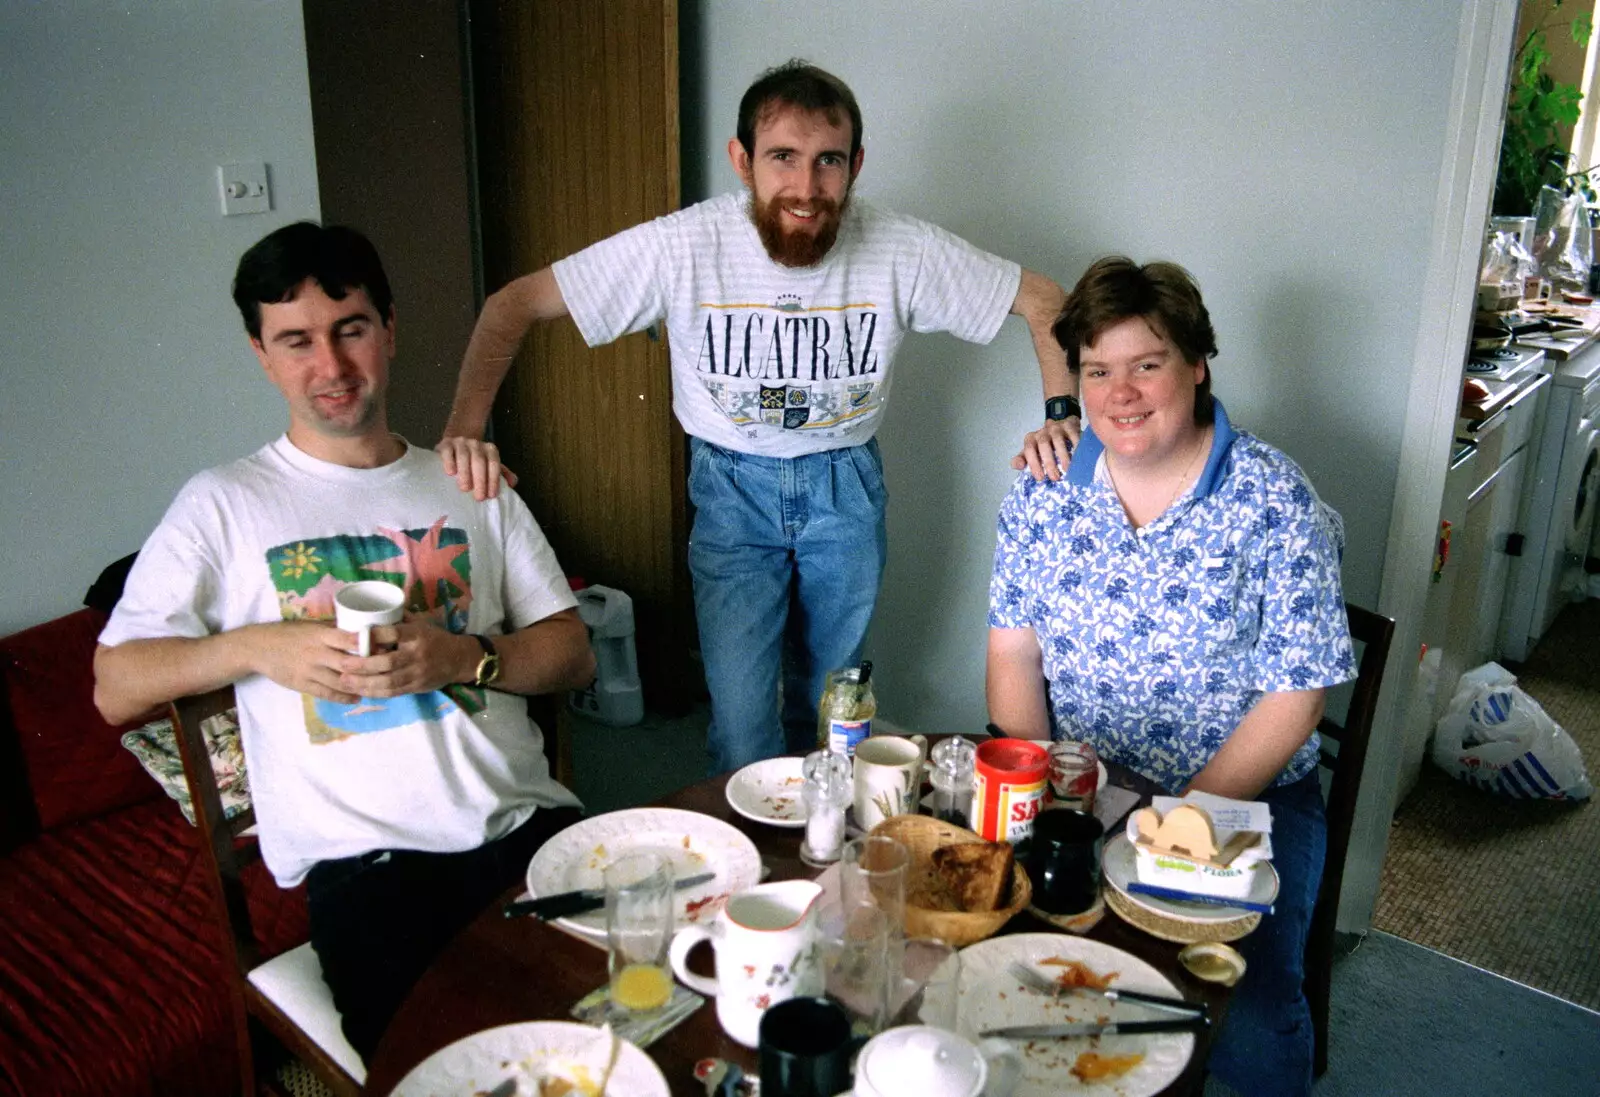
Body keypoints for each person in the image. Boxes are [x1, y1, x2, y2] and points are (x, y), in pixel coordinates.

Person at [437, 59, 1078, 774]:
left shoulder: (901, 247)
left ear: (856, 164)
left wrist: (1061, 415)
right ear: (742, 160)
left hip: (846, 488)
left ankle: (820, 867)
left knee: (833, 713)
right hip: (730, 491)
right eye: (783, 158)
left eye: (828, 161)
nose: (807, 188)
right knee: (743, 730)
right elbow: (513, 305)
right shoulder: (683, 244)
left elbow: (1045, 300)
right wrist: (464, 429)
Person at [92, 222, 593, 1063]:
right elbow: (115, 683)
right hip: (375, 874)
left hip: (526, 832)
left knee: (651, 1027)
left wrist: (465, 657)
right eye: (296, 340)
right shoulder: (224, 502)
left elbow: (572, 650)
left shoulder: (466, 477)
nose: (330, 365)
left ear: (389, 329)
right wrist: (257, 646)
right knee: (466, 1074)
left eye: (350, 328)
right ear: (261, 353)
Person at [985, 256, 1354, 1097]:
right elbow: (1012, 659)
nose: (1121, 393)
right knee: (1009, 954)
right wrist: (1057, 789)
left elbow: (1298, 695)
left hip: (1243, 797)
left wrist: (1182, 819)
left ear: (1196, 365)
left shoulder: (1274, 498)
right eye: (1097, 371)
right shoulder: (1043, 490)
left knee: (1248, 1010)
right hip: (1085, 786)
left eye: (1146, 364)